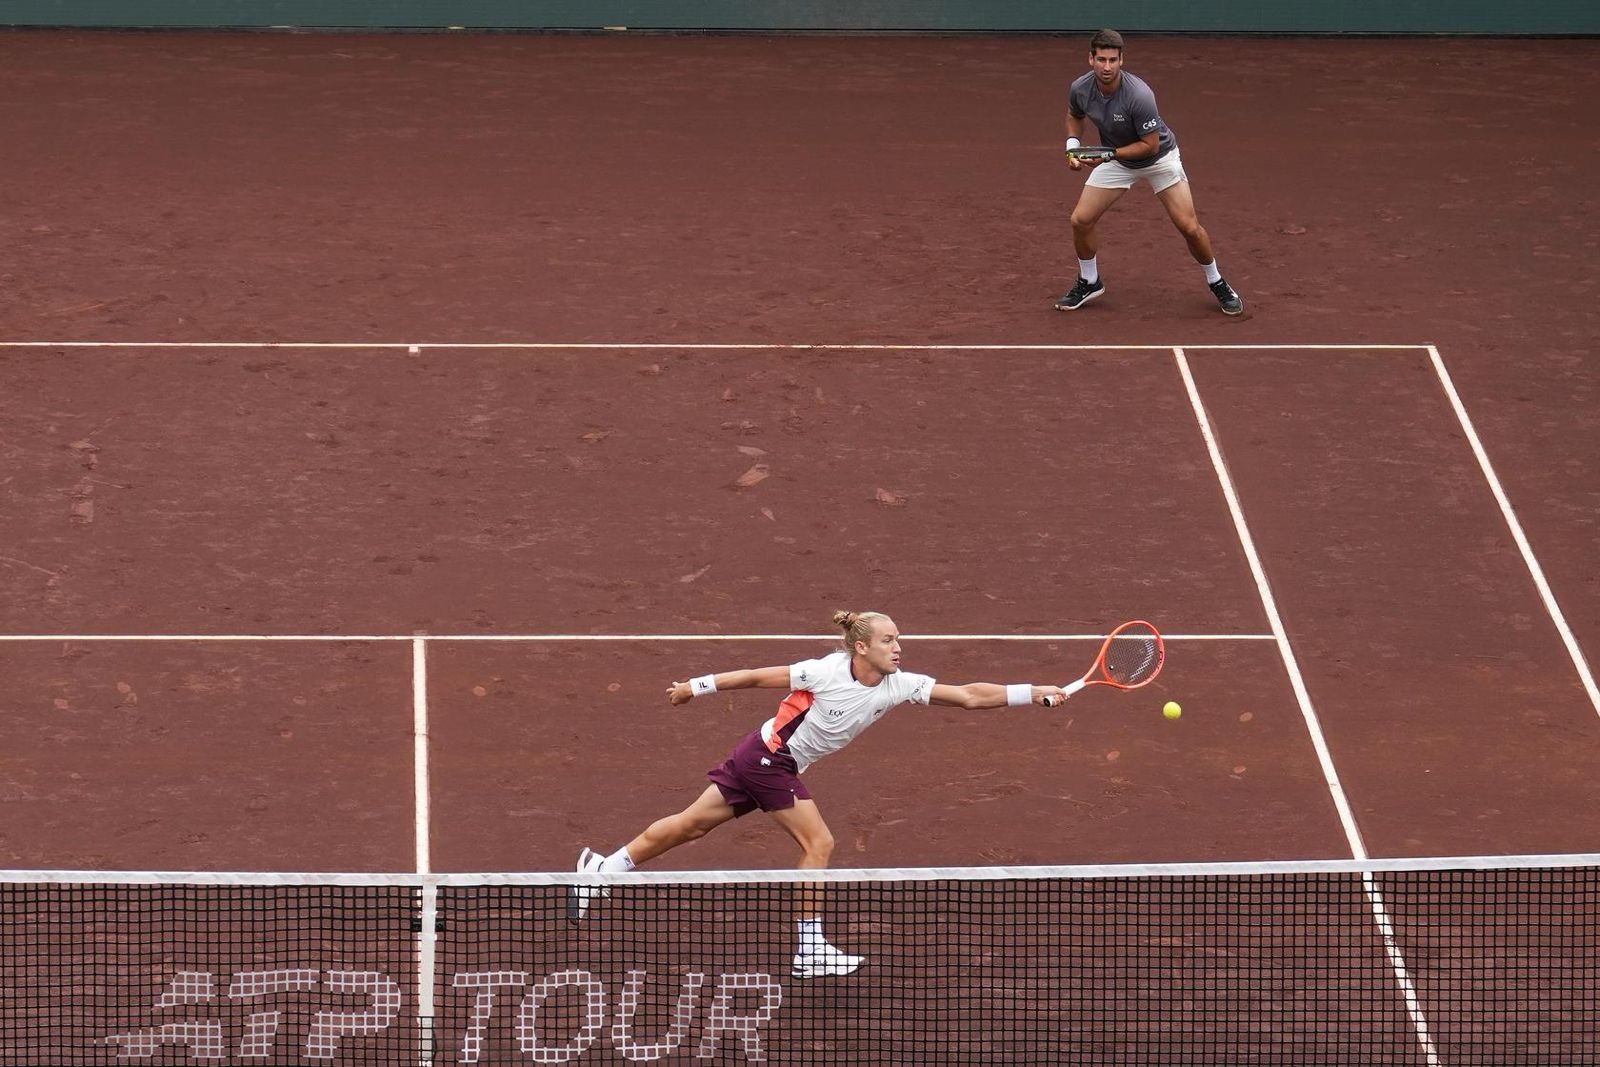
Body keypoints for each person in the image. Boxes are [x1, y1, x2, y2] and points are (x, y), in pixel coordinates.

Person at [569, 610, 1070, 980]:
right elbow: (755, 677)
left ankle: (602, 869)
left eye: (899, 640)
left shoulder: (899, 685)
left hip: (761, 755)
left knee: (691, 824)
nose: (899, 648)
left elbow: (967, 695)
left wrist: (1034, 691)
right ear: (861, 647)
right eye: (889, 640)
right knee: (819, 844)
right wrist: (695, 687)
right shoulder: (825, 672)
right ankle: (810, 948)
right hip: (770, 759)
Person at [1055, 28, 1244, 316]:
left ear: (1122, 61)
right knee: (1080, 220)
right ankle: (1090, 281)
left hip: (1159, 159)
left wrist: (1108, 154)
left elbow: (1150, 146)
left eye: (1113, 60)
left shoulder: (1139, 95)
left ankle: (1217, 281)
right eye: (1102, 59)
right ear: (1090, 59)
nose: (1107, 67)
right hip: (1117, 159)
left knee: (1189, 228)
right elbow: (1074, 114)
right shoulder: (1080, 88)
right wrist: (1073, 146)